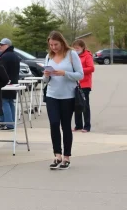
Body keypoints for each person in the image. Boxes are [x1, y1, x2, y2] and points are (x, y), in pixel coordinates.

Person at [43, 31, 83, 170]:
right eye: (51, 45)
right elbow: (45, 80)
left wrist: (65, 73)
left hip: (68, 96)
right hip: (51, 95)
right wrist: (46, 75)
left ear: (62, 42)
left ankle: (66, 157)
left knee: (65, 126)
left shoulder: (71, 54)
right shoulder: (49, 56)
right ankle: (57, 155)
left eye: (56, 44)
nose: (53, 47)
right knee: (54, 123)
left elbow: (80, 75)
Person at [0, 38, 20, 131]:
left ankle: (8, 123)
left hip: (6, 83)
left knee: (4, 101)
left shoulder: (5, 57)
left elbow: (2, 71)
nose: (0, 47)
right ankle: (8, 122)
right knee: (10, 102)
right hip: (14, 82)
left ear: (7, 46)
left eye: (2, 45)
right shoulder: (15, 56)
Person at [72, 39, 95, 133]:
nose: (76, 49)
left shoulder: (87, 55)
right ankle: (78, 125)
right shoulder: (73, 56)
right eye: (74, 48)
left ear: (82, 47)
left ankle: (87, 126)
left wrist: (80, 70)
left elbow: (91, 68)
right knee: (76, 105)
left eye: (77, 48)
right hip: (75, 83)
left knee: (84, 105)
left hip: (85, 84)